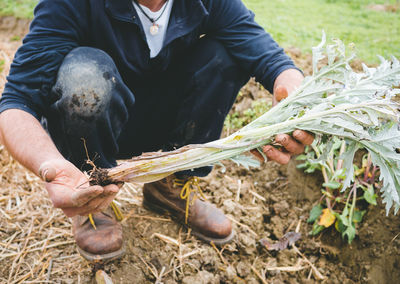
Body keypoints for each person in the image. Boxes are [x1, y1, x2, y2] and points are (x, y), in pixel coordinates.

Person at [0, 0, 313, 261]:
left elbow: (269, 58)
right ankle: (90, 194)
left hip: (165, 127)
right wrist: (50, 165)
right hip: (97, 123)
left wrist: (294, 98)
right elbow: (17, 101)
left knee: (227, 53)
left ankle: (172, 185)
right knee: (84, 73)